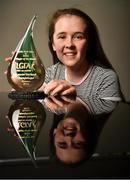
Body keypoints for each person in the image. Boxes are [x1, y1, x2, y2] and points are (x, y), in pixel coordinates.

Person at [5, 8, 124, 101]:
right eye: (62, 37)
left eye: (78, 36)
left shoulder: (106, 78)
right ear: (53, 45)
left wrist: (72, 98)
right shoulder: (49, 75)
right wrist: (21, 78)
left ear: (89, 43)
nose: (69, 44)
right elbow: (25, 102)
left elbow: (109, 120)